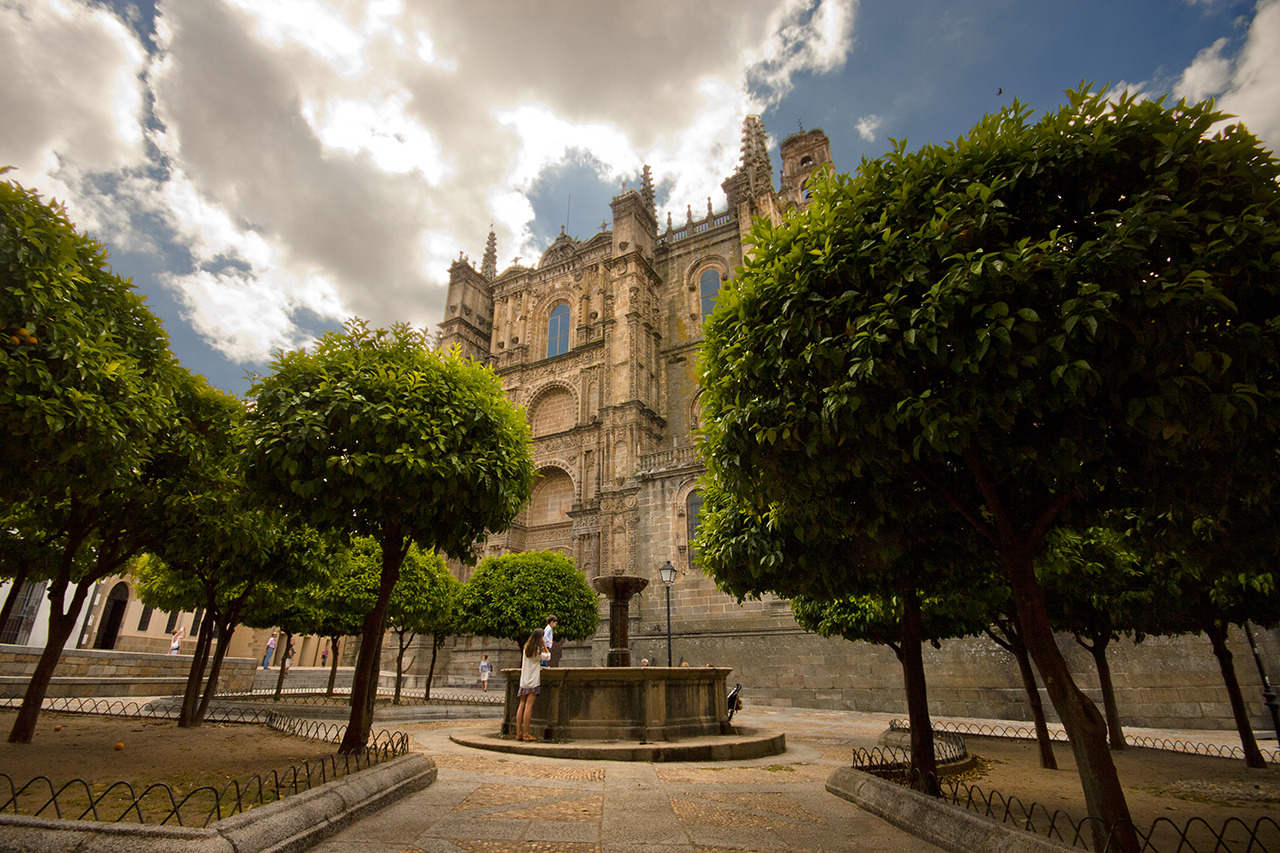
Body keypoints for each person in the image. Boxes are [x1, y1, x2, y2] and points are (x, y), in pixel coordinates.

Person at [515, 630, 546, 742]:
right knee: (528, 706)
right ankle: (526, 734)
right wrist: (544, 645)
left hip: (524, 680)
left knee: (521, 705)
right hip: (533, 681)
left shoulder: (526, 648)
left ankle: (518, 733)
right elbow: (548, 656)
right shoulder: (537, 650)